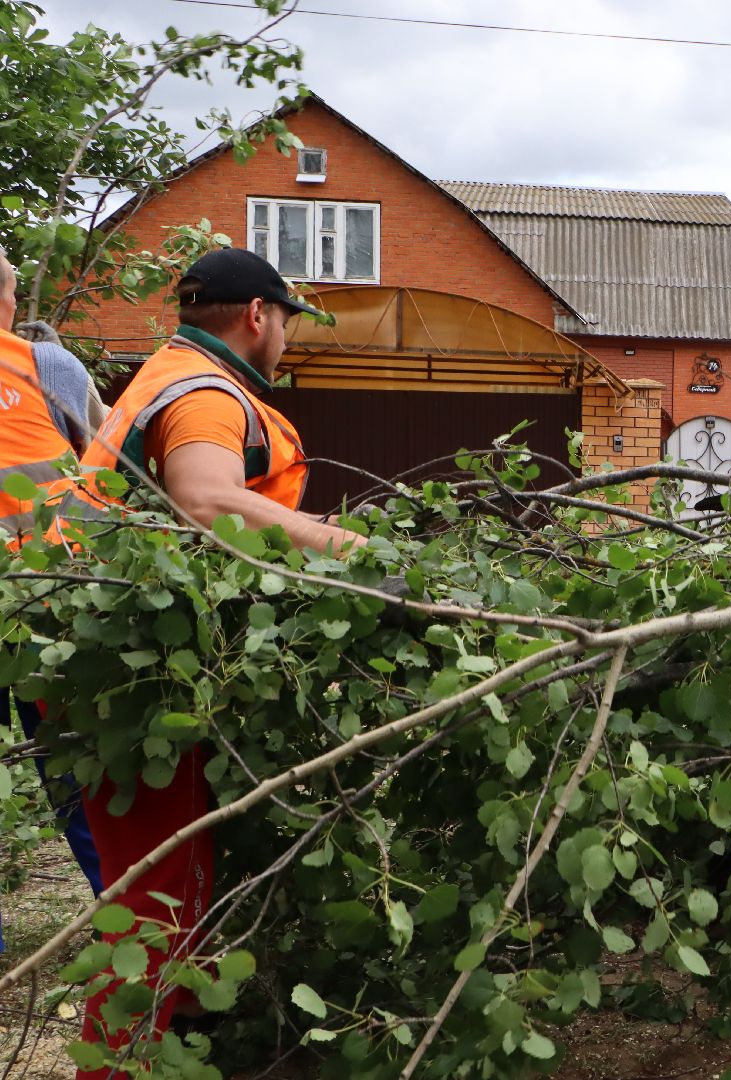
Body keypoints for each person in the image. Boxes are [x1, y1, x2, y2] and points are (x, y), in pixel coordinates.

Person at [73, 248, 362, 1077]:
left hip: (135, 662)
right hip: (126, 676)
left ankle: (188, 1047)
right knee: (154, 905)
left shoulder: (175, 371)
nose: (287, 339)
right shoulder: (204, 392)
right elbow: (206, 500)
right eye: (289, 321)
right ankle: (116, 1066)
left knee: (180, 888)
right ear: (259, 315)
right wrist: (361, 552)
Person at [0, 246, 107, 940]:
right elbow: (110, 464)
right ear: (7, 299)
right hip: (50, 601)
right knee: (81, 771)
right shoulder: (43, 364)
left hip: (45, 599)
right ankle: (135, 920)